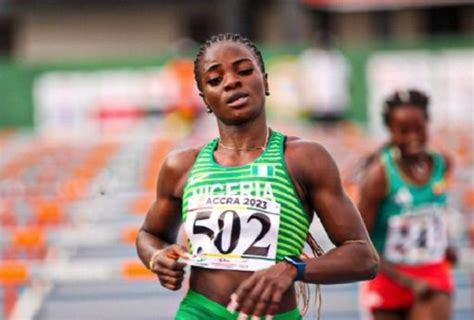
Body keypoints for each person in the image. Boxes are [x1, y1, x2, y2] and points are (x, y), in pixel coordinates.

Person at [136, 33, 379, 320]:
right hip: (200, 312)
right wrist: (157, 257)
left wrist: (293, 268)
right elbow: (150, 234)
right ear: (206, 100)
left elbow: (363, 256)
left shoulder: (304, 158)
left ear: (265, 81)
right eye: (215, 80)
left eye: (244, 70)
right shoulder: (182, 166)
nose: (231, 82)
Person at [358, 89, 457, 320]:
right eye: (403, 130)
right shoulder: (378, 176)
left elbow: (435, 212)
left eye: (419, 128)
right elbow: (360, 241)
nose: (413, 136)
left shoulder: (443, 163)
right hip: (387, 274)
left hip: (431, 271)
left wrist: (445, 242)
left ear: (428, 124)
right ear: (391, 131)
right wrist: (406, 280)